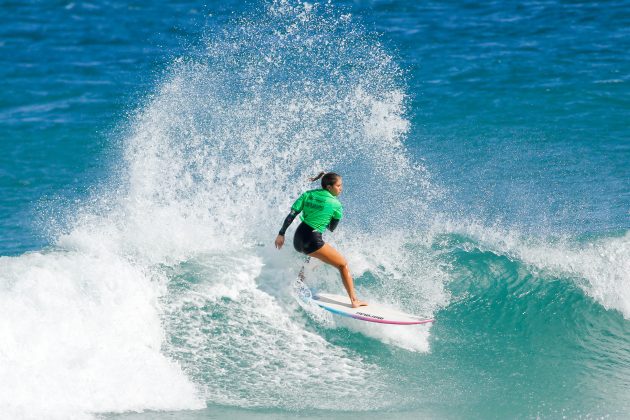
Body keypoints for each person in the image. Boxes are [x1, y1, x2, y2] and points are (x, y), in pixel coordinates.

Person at [274, 172, 367, 308]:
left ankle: (299, 284)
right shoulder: (336, 204)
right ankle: (354, 300)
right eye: (339, 186)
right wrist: (326, 216)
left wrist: (281, 234)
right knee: (342, 265)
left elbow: (291, 215)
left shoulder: (308, 194)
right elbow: (331, 228)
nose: (341, 188)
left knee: (313, 257)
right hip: (312, 240)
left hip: (298, 239)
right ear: (329, 187)